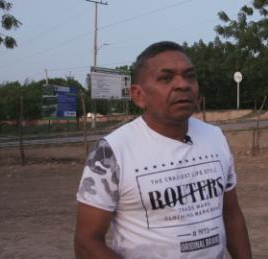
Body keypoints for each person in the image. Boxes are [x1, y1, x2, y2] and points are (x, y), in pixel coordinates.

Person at [74, 41, 252, 259]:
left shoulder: (215, 138)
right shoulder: (112, 152)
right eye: (166, 78)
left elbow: (231, 214)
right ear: (139, 95)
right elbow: (86, 242)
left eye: (189, 76)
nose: (182, 85)